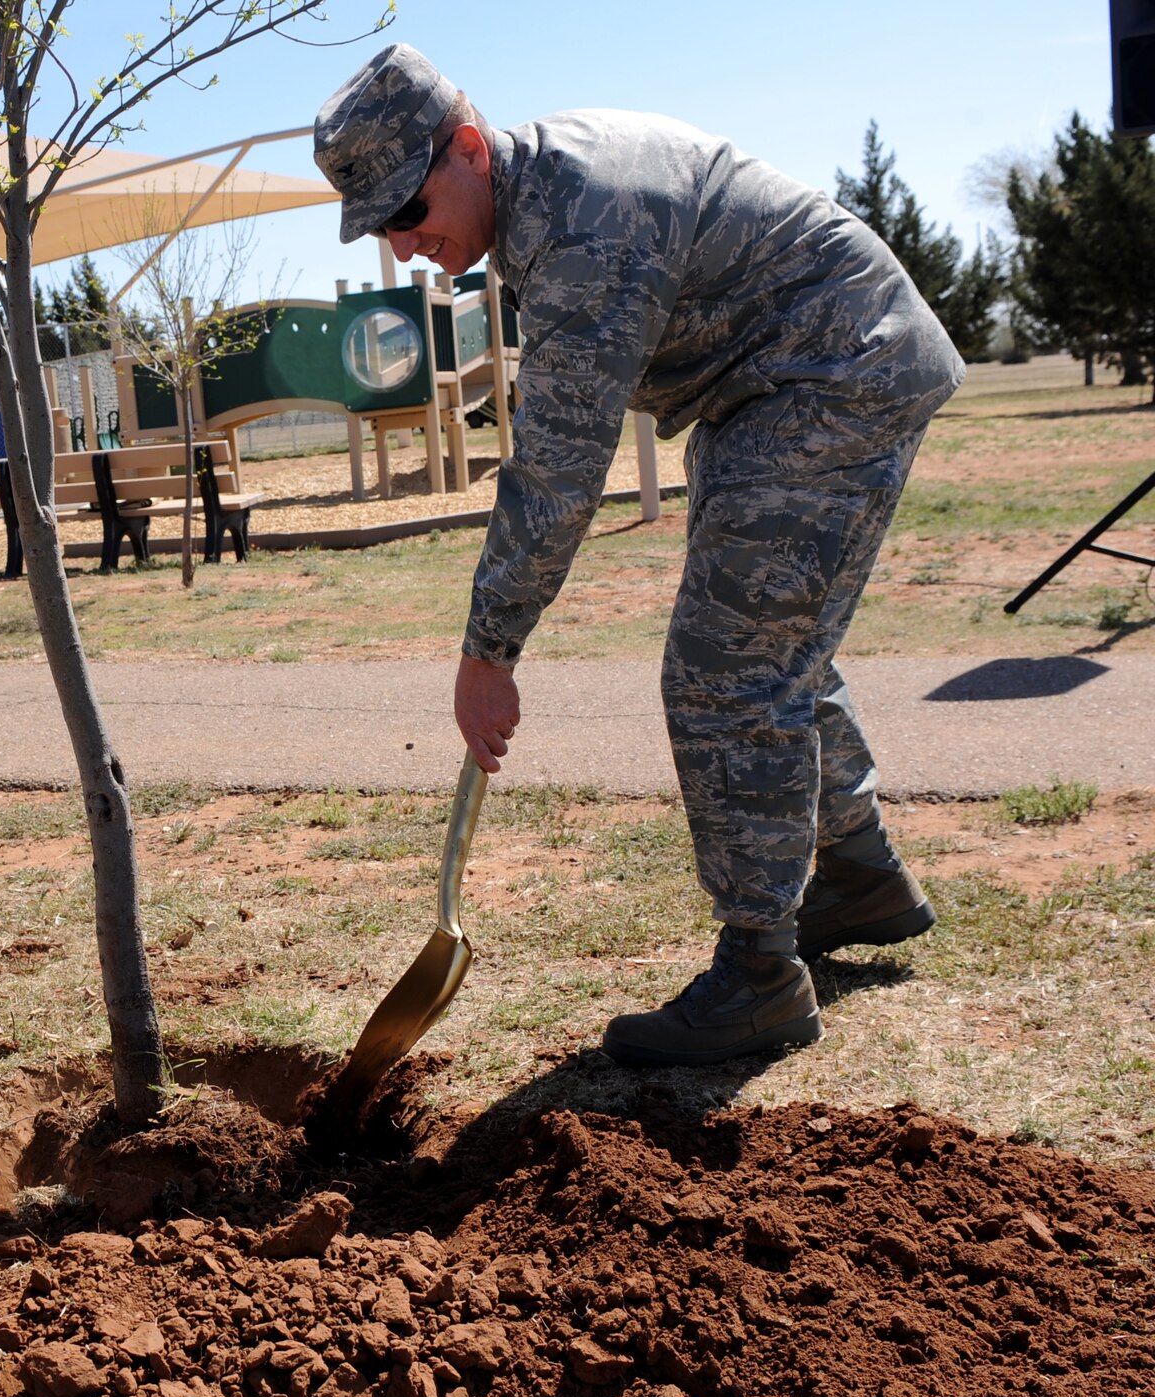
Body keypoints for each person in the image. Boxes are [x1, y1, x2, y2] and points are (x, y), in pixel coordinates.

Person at [313, 46, 960, 1067]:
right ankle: (857, 876)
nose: (402, 247)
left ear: (468, 150)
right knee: (769, 641)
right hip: (769, 388)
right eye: (381, 229)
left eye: (406, 211)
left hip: (830, 371)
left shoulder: (583, 227)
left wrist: (488, 651)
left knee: (724, 668)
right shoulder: (539, 201)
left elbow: (560, 472)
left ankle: (758, 975)